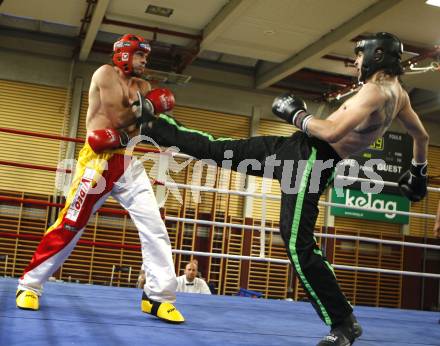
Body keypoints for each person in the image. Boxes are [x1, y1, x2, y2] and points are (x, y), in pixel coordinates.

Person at [134, 32, 429, 345]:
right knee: (222, 150)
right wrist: (419, 170)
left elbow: (330, 131)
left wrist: (296, 114)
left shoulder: (374, 92)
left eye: (359, 54)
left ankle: (343, 322)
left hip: (312, 162)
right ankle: (154, 126)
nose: (356, 61)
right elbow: (421, 136)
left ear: (377, 54)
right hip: (298, 150)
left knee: (297, 242)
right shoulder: (400, 94)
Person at [15, 34, 184, 324]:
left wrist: (156, 112)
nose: (145, 61)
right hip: (97, 161)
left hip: (128, 161)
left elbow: (147, 125)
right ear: (124, 55)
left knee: (155, 225)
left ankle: (158, 297)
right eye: (140, 55)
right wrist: (150, 108)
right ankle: (29, 284)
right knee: (71, 224)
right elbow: (118, 118)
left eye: (146, 57)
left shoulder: (143, 86)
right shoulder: (105, 74)